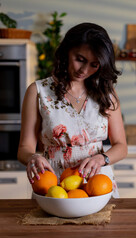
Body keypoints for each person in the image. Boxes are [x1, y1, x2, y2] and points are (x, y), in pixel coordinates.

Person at [17, 22, 127, 198]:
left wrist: (102, 158)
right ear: (67, 51)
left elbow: (121, 146)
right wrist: (32, 157)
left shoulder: (106, 93)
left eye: (94, 64)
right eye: (80, 59)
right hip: (53, 186)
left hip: (97, 185)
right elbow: (24, 148)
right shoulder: (38, 91)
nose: (84, 70)